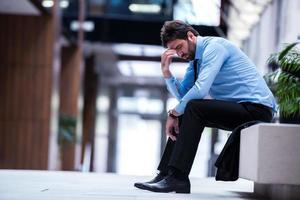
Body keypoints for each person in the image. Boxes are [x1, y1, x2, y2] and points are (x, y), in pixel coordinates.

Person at [134, 20, 276, 194]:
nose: (179, 54)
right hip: (240, 108)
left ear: (191, 36)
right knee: (188, 109)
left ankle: (177, 178)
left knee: (192, 108)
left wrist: (173, 112)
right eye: (175, 51)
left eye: (179, 47)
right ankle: (166, 175)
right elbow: (184, 97)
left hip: (257, 109)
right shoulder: (196, 62)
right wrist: (166, 72)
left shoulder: (215, 47)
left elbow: (200, 90)